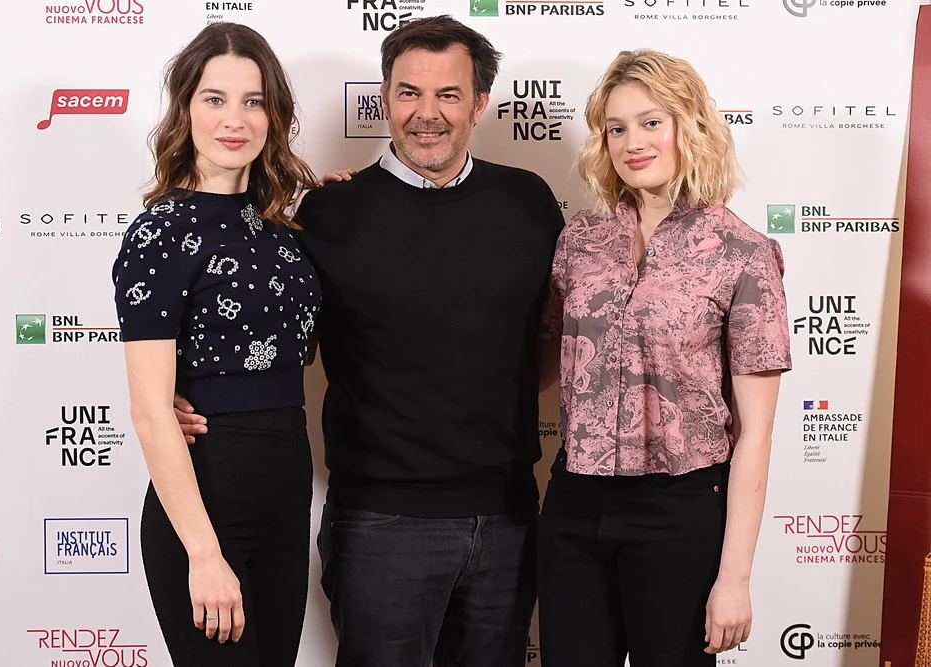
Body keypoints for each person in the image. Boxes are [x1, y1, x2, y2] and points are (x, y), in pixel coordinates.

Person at [175, 15, 565, 667]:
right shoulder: (328, 213)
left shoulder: (528, 202)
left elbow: (559, 340)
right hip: (382, 526)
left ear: (479, 104)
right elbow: (261, 336)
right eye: (409, 92)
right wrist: (188, 399)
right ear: (384, 97)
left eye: (448, 95)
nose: (427, 114)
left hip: (509, 517)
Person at [537, 49, 791, 667]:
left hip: (681, 508)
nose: (632, 142)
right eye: (616, 128)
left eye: (651, 122)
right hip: (574, 501)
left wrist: (734, 577)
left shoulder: (743, 252)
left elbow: (755, 433)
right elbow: (542, 365)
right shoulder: (579, 240)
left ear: (691, 126)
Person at [112, 22, 320, 667]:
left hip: (287, 501)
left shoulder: (287, 235)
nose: (235, 119)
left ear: (274, 115)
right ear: (186, 110)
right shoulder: (160, 232)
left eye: (253, 101)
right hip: (205, 506)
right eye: (214, 98)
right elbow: (151, 410)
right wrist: (203, 554)